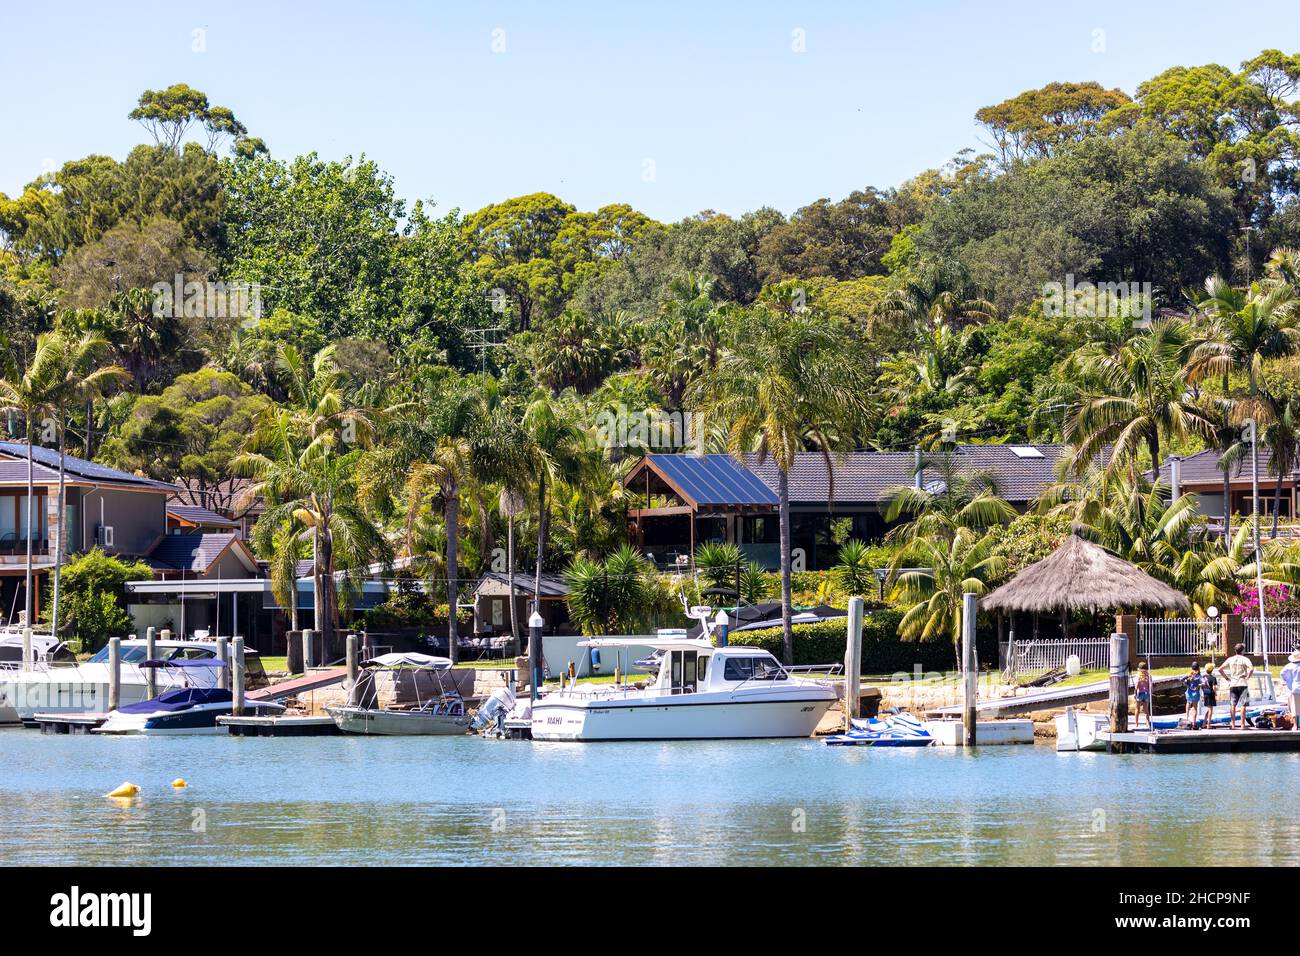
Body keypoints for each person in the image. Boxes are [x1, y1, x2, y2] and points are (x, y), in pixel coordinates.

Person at [1220, 643, 1255, 730]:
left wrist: (1227, 678)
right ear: (1242, 650)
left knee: (1233, 704)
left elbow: (1220, 669)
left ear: (1235, 650)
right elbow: (1251, 668)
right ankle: (1242, 725)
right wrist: (1247, 677)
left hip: (1233, 683)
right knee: (1243, 705)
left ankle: (1233, 724)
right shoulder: (1245, 659)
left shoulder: (1230, 659)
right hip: (1242, 683)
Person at [1280, 651, 1300, 727]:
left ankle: (1295, 725)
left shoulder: (1288, 666)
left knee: (1293, 707)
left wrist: (1285, 682)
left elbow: (1282, 674)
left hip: (1292, 689)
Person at [1183, 661, 1203, 728]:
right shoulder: (1199, 676)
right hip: (1196, 693)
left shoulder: (1189, 675)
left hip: (1189, 692)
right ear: (1198, 668)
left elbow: (1181, 679)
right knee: (1195, 708)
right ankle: (1194, 723)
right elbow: (1205, 682)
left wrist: (1186, 683)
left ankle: (1187, 718)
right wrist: (1199, 685)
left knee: (1188, 703)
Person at [1134, 661, 1152, 730]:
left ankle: (1136, 723)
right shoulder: (1148, 676)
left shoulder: (1138, 676)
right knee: (1146, 709)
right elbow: (1150, 686)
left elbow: (1137, 685)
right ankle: (1147, 723)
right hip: (1146, 694)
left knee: (1137, 709)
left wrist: (1135, 693)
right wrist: (1150, 692)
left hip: (1139, 693)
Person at [1200, 662, 1218, 729]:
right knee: (1210, 709)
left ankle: (1204, 723)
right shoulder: (1213, 678)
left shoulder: (1203, 677)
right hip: (1211, 694)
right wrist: (1215, 693)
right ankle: (1209, 725)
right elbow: (1214, 687)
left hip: (1205, 694)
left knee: (1208, 708)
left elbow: (1202, 686)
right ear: (1212, 670)